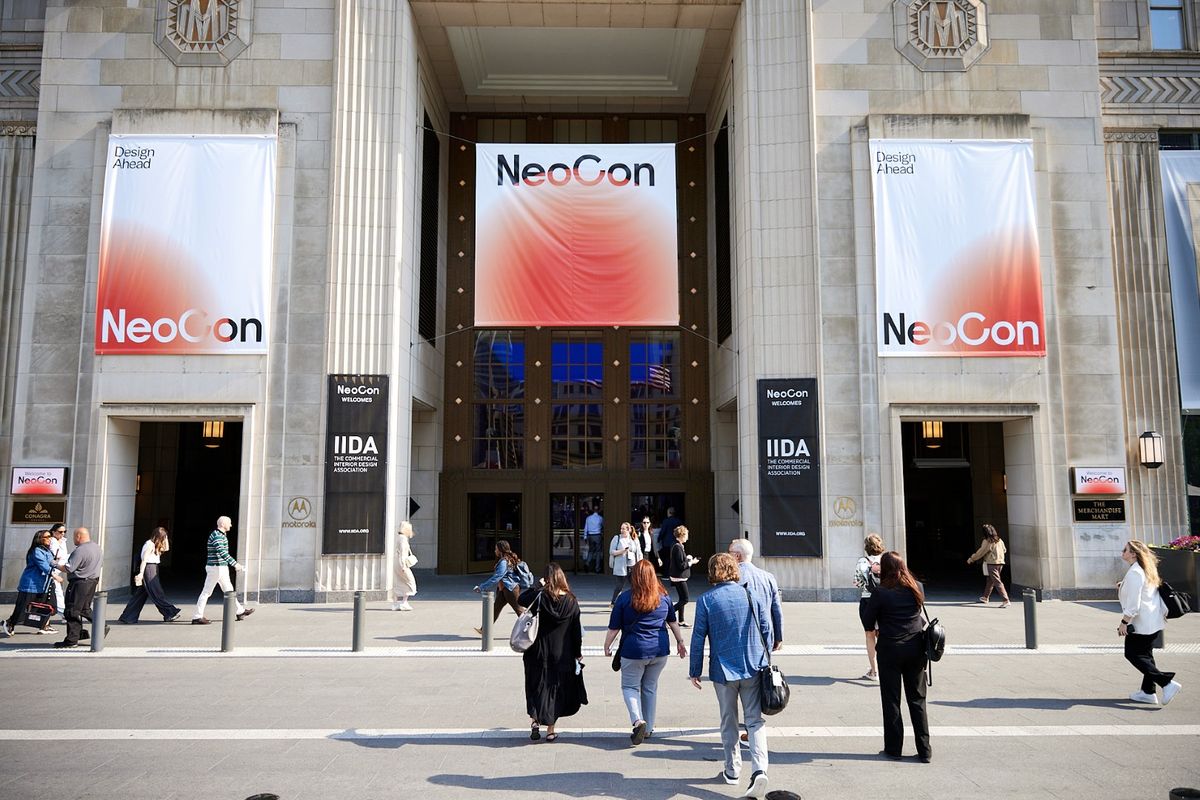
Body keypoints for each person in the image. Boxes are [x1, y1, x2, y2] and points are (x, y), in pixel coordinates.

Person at [688, 553, 772, 799]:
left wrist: (695, 670)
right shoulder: (751, 594)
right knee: (754, 721)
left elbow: (698, 638)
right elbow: (766, 629)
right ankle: (759, 769)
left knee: (729, 720)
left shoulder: (706, 600)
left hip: (723, 670)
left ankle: (732, 770)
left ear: (713, 571)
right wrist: (765, 660)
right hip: (753, 665)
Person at [604, 559, 687, 744]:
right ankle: (648, 729)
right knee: (650, 687)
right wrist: (680, 642)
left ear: (634, 577)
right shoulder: (663, 597)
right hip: (660, 650)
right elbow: (673, 622)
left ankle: (638, 721)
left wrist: (607, 645)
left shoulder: (625, 598)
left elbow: (614, 628)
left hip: (633, 650)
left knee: (630, 687)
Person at [861, 550, 931, 763]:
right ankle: (925, 750)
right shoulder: (917, 587)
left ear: (885, 569)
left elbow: (867, 621)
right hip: (915, 648)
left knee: (891, 700)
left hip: (890, 649)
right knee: (917, 700)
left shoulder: (881, 592)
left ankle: (894, 748)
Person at [519, 563, 587, 742]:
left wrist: (537, 586)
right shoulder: (571, 601)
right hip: (562, 653)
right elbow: (576, 632)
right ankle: (550, 730)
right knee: (555, 690)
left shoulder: (540, 597)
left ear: (547, 579)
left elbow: (521, 599)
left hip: (537, 651)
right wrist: (577, 653)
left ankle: (535, 720)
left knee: (536, 685)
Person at [1118, 540, 1182, 705]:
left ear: (1133, 554)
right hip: (1154, 621)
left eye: (1125, 550)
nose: (1122, 552)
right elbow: (1144, 591)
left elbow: (1134, 604)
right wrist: (1123, 586)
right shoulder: (1146, 569)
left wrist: (1124, 622)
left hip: (1142, 624)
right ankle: (1148, 692)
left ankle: (1166, 683)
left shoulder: (1135, 572)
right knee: (1146, 656)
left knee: (1132, 654)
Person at [192, 516, 253, 625]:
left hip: (220, 567)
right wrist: (235, 564)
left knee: (229, 590)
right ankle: (197, 616)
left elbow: (222, 553)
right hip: (216, 567)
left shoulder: (220, 535)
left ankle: (240, 611)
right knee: (206, 592)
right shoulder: (217, 535)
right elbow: (222, 552)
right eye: (229, 523)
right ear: (223, 524)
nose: (231, 525)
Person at [55, 527, 108, 648]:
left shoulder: (80, 550)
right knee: (84, 609)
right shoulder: (97, 548)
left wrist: (55, 564)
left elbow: (69, 568)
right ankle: (101, 626)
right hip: (92, 581)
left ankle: (72, 640)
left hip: (79, 583)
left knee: (72, 611)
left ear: (78, 536)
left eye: (74, 536)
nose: (73, 539)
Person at [1, 530, 61, 637]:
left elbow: (51, 562)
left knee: (48, 606)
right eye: (47, 537)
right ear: (39, 539)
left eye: (50, 537)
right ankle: (10, 623)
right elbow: (43, 564)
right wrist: (54, 575)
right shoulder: (36, 551)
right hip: (31, 585)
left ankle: (44, 626)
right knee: (23, 608)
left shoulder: (47, 550)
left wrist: (60, 564)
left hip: (44, 585)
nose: (49, 539)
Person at [118, 527, 182, 624]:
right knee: (156, 592)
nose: (164, 539)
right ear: (158, 537)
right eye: (163, 537)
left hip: (153, 568)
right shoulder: (149, 544)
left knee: (141, 595)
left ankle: (128, 616)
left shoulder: (155, 545)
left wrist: (166, 539)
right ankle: (169, 613)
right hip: (149, 569)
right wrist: (141, 573)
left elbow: (166, 548)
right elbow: (144, 560)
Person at [729, 538, 783, 651]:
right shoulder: (768, 577)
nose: (728, 557)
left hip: (738, 638)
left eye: (729, 553)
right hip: (764, 637)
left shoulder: (731, 579)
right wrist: (778, 637)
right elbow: (776, 610)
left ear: (737, 556)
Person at [473, 539, 522, 634]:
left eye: (496, 549)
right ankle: (484, 629)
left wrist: (482, 587)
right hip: (504, 589)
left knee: (519, 611)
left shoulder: (504, 561)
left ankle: (534, 629)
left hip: (510, 589)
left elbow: (497, 577)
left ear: (500, 550)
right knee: (495, 609)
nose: (495, 551)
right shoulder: (508, 559)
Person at [854, 533, 886, 680]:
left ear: (866, 547)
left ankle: (874, 671)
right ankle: (886, 666)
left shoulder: (862, 561)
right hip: (884, 600)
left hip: (868, 601)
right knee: (884, 634)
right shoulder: (887, 560)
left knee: (869, 634)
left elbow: (857, 583)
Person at [967, 523, 1010, 607]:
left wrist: (971, 559)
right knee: (990, 580)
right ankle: (985, 597)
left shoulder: (987, 541)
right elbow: (1004, 550)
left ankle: (1005, 600)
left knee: (997, 581)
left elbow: (981, 552)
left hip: (991, 563)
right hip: (1000, 562)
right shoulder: (999, 540)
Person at [667, 525, 699, 627]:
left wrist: (688, 559)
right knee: (685, 599)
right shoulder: (678, 547)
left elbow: (680, 561)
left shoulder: (678, 546)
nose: (687, 537)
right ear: (682, 535)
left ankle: (681, 620)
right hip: (679, 577)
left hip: (678, 577)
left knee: (681, 599)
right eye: (686, 535)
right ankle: (667, 616)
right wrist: (691, 562)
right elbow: (681, 565)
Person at [609, 522, 642, 605]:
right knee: (619, 586)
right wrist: (622, 551)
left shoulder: (634, 538)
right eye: (621, 528)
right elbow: (612, 551)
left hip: (632, 565)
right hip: (621, 566)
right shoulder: (617, 538)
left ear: (628, 530)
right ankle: (614, 602)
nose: (621, 530)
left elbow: (638, 552)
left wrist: (640, 563)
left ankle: (637, 601)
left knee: (635, 585)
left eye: (623, 529)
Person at [393, 521, 418, 611]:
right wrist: (403, 566)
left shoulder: (398, 538)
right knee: (410, 582)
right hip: (401, 564)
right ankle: (404, 602)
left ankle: (396, 603)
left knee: (399, 582)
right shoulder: (403, 539)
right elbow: (403, 554)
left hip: (396, 562)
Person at [47, 523, 69, 616]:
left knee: (57, 592)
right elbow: (53, 556)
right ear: (53, 532)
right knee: (57, 592)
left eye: (64, 531)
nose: (63, 533)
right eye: (60, 532)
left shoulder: (63, 541)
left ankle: (63, 613)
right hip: (52, 570)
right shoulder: (52, 541)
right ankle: (63, 613)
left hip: (59, 569)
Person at [584, 505, 604, 574]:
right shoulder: (600, 518)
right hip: (597, 535)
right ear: (599, 510)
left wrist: (585, 537)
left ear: (592, 510)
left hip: (590, 535)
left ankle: (587, 563)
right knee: (598, 552)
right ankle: (597, 568)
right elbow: (603, 526)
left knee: (591, 550)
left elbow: (586, 528)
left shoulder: (588, 518)